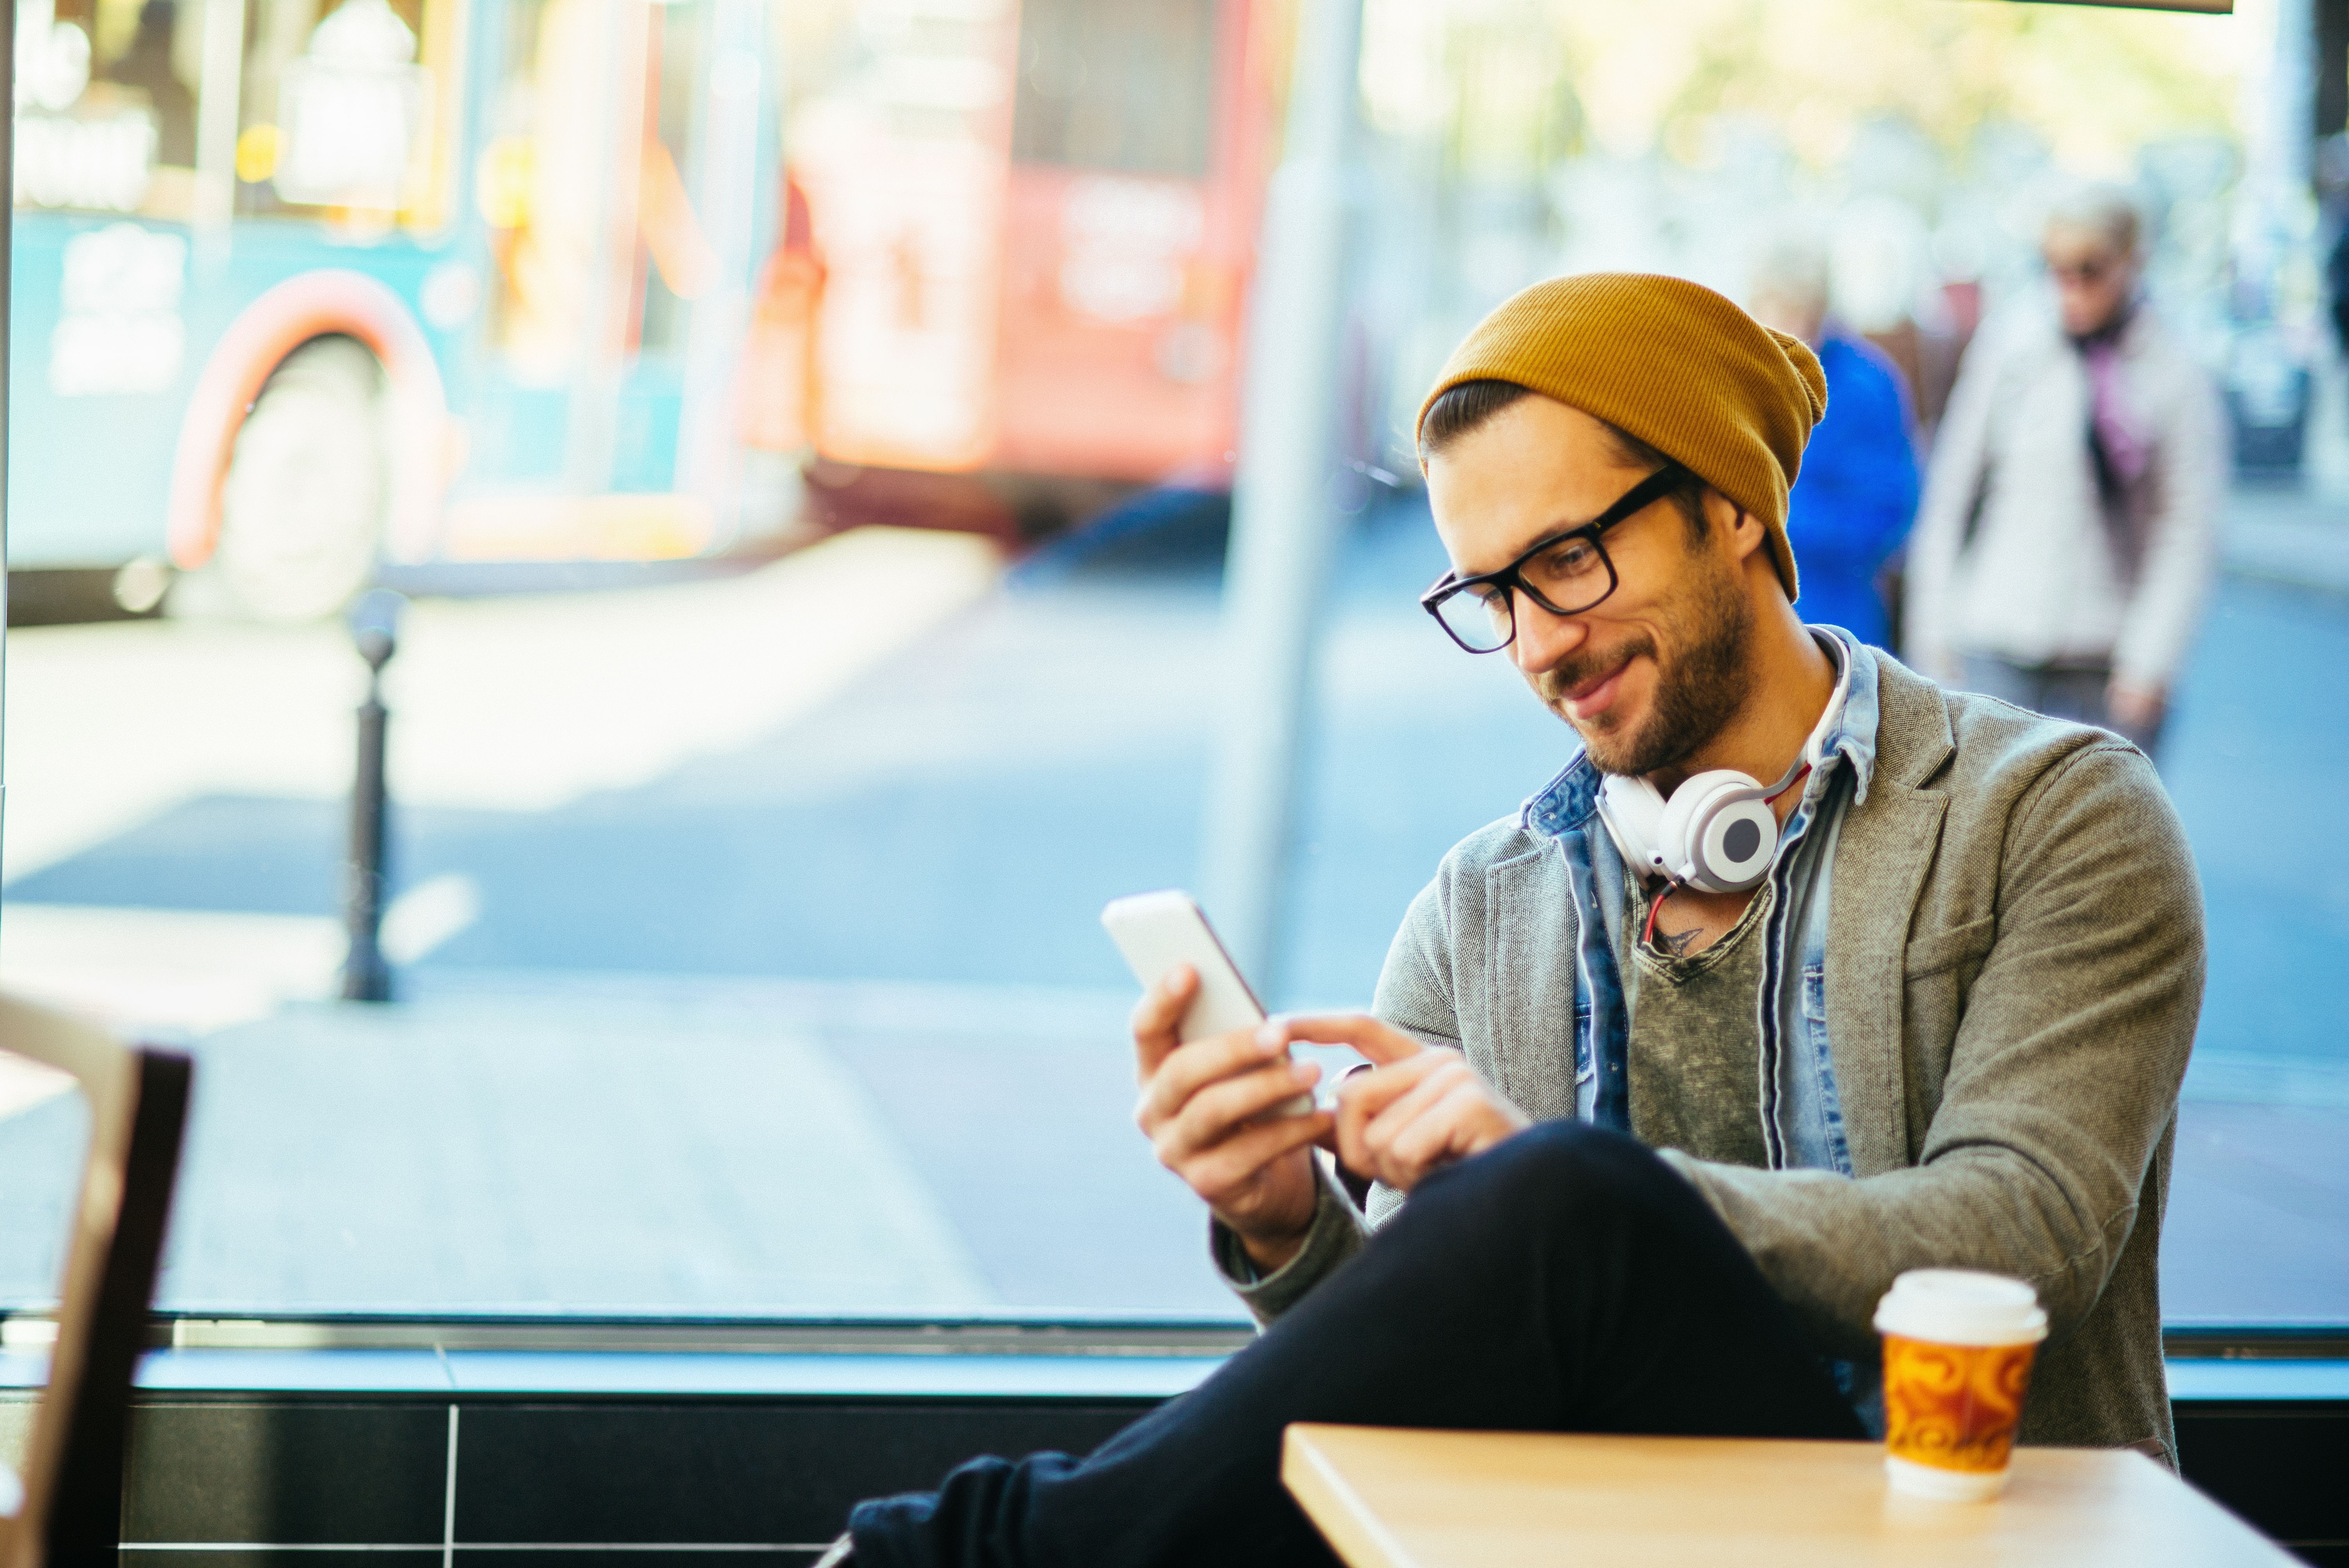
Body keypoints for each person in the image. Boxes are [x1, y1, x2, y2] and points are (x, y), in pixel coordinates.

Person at [816, 274, 2204, 1568]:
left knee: (1564, 1195)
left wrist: (1573, 1200)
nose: (1536, 644)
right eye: (1490, 596)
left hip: (1958, 1534)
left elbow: (2022, 1234)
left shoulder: (2050, 815)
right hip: (1595, 1545)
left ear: (1728, 503)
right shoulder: (1482, 902)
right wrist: (1284, 1218)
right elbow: (1412, 1363)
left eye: (1566, 560)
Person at [1903, 185, 2223, 755]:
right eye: (2055, 269)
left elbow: (2187, 528)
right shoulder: (2013, 346)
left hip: (2108, 657)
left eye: (2089, 270)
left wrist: (2150, 663)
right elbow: (1951, 489)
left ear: (2132, 262)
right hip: (1995, 641)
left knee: (2106, 841)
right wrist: (1933, 633)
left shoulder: (2174, 370)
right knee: (1987, 840)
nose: (2069, 288)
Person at [1746, 234, 1919, 649]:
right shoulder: (1740, 375)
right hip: (1751, 614)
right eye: (1772, 311)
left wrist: (1774, 515)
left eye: (1796, 313)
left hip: (1835, 617)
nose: (1785, 329)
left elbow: (1889, 513)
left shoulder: (1865, 385)